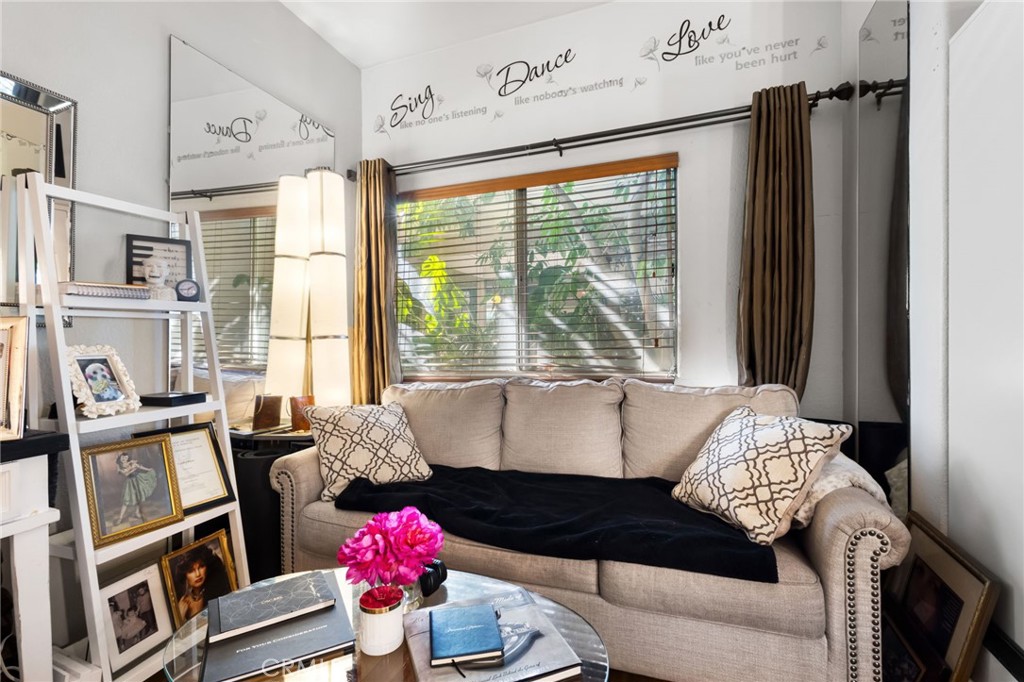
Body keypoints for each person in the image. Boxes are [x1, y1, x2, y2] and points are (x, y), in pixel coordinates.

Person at [173, 543, 232, 623]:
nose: (198, 574)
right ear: (185, 575)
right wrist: (180, 616)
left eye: (201, 566)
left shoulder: (218, 590)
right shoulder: (183, 603)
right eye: (191, 570)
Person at [113, 452, 157, 526]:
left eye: (126, 458)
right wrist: (133, 468)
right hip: (129, 483)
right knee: (126, 501)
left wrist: (148, 469)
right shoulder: (119, 466)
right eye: (122, 457)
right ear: (120, 458)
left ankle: (137, 512)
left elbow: (139, 466)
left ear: (127, 458)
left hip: (138, 480)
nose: (124, 459)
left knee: (139, 496)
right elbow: (126, 474)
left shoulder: (131, 463)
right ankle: (120, 518)